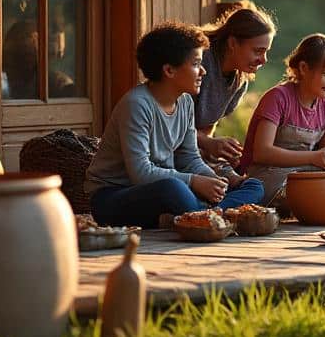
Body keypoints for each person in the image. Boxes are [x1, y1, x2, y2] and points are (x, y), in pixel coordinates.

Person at [85, 22, 266, 228]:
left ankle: (204, 215)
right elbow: (140, 172)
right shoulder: (136, 104)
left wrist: (217, 180)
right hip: (115, 196)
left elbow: (189, 158)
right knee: (173, 189)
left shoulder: (185, 101)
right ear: (169, 70)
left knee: (254, 186)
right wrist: (194, 181)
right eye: (197, 64)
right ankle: (207, 215)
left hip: (167, 189)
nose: (203, 71)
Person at [238, 34, 325, 206]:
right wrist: (313, 157)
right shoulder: (278, 98)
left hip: (305, 173)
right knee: (291, 191)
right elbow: (262, 152)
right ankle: (323, 203)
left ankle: (321, 203)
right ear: (303, 68)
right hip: (270, 174)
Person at [194, 0, 277, 169]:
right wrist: (208, 144)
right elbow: (170, 123)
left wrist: (217, 151)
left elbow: (206, 128)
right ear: (232, 43)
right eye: (258, 51)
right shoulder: (200, 64)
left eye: (266, 51)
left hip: (193, 155)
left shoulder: (239, 80)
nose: (264, 59)